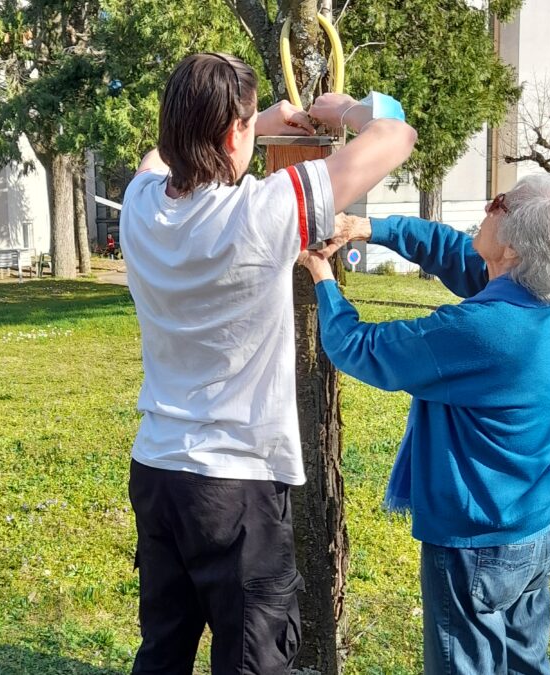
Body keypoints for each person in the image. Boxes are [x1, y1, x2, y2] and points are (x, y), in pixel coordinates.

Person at [120, 52, 417, 675]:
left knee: (163, 652)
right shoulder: (260, 213)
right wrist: (347, 110)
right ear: (235, 134)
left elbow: (159, 158)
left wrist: (258, 119)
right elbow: (396, 136)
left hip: (157, 471)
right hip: (236, 488)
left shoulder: (140, 205)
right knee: (255, 662)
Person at [298, 174, 550, 674]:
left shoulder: (482, 331)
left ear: (513, 243)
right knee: (527, 662)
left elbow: (360, 348)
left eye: (498, 204)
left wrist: (322, 276)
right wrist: (366, 227)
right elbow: (454, 253)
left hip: (478, 541)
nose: (486, 209)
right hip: (535, 521)